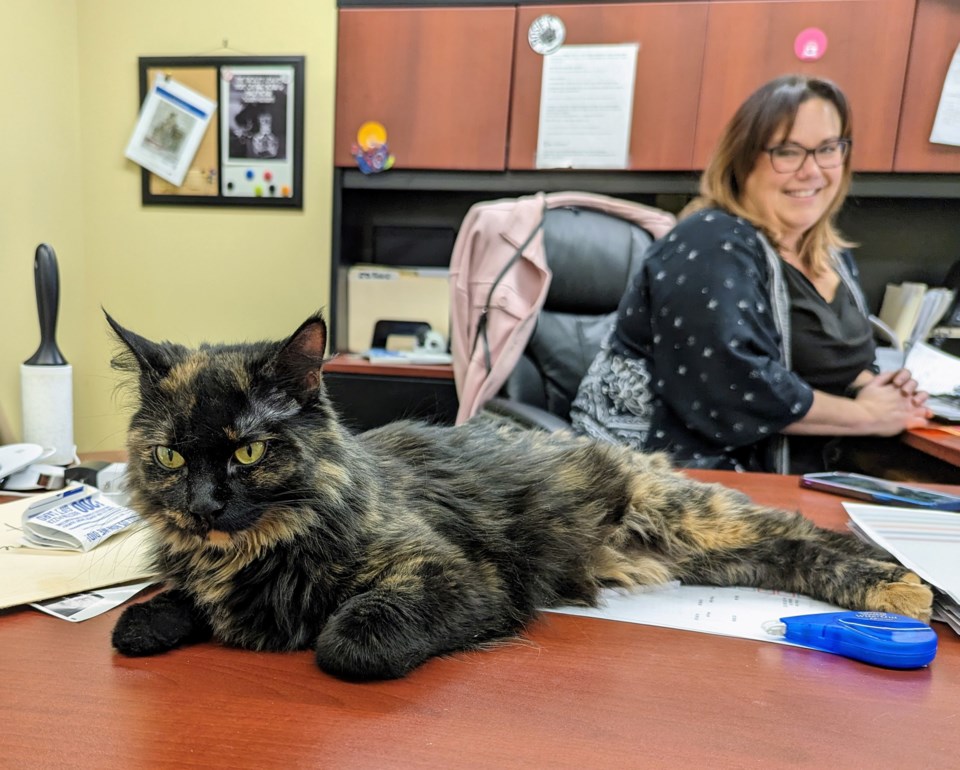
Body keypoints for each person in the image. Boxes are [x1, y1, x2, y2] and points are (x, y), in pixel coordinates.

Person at [570, 74, 936, 477]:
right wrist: (866, 415)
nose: (812, 170)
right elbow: (734, 386)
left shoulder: (830, 255)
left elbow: (838, 366)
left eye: (828, 148)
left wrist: (878, 389)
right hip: (666, 484)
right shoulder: (710, 241)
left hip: (800, 473)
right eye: (788, 151)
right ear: (744, 159)